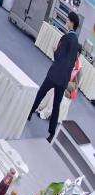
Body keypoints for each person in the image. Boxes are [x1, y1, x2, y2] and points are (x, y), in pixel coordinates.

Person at [28, 11, 80, 142]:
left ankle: (29, 113)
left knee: (41, 93)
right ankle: (51, 134)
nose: (66, 21)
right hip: (64, 79)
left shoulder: (66, 37)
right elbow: (72, 61)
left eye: (68, 20)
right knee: (56, 106)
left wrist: (54, 50)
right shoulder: (76, 42)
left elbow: (58, 57)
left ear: (72, 23)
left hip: (54, 74)